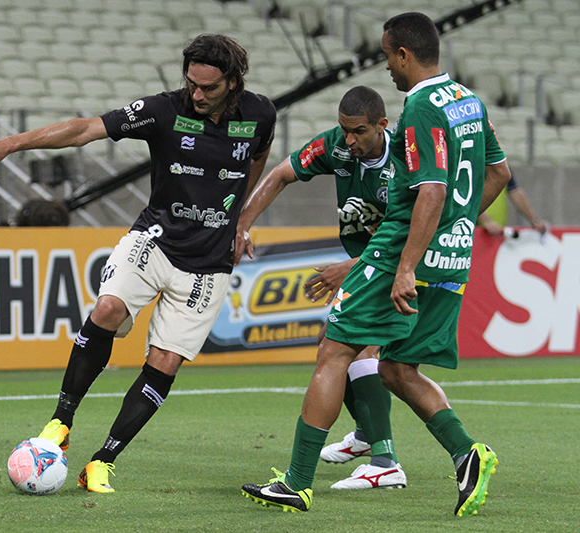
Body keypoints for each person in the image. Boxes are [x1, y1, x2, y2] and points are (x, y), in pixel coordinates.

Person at [0, 34, 276, 493]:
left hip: (209, 262)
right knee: (107, 308)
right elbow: (84, 129)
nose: (197, 94)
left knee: (165, 362)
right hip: (156, 239)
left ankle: (102, 461)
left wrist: (241, 220)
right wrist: (9, 145)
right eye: (191, 83)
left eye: (208, 87)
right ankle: (60, 423)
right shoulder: (166, 109)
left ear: (233, 82)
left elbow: (259, 156)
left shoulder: (261, 113)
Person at [242, 12, 511, 516]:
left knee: (335, 352)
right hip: (452, 255)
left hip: (399, 253)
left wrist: (408, 262)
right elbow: (498, 171)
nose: (386, 66)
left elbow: (429, 189)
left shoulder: (421, 108)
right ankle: (467, 452)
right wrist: (456, 224)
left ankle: (298, 482)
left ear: (404, 55)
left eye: (388, 55)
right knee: (395, 368)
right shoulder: (468, 102)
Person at [235, 85, 406, 490]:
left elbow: (413, 229)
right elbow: (279, 175)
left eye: (359, 132)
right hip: (366, 263)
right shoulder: (339, 147)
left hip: (395, 266)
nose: (349, 141)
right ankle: (369, 436)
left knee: (351, 346)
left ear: (382, 125)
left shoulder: (405, 160)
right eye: (344, 130)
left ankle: (384, 458)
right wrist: (241, 224)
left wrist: (350, 266)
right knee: (332, 345)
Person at [478, 174, 548, 236]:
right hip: (474, 231)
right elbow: (469, 197)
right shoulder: (474, 164)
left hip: (496, 231)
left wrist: (534, 221)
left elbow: (515, 192)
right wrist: (486, 221)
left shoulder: (501, 166)